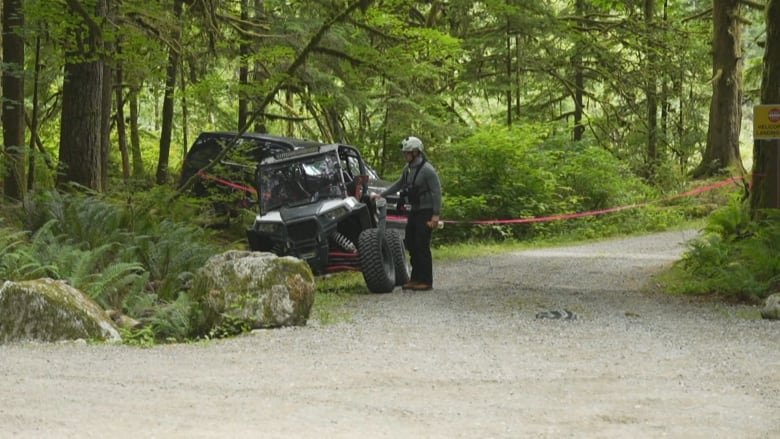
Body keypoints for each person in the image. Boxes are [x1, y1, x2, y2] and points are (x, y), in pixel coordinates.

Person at [372, 136, 442, 291]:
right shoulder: (408, 169)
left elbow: (437, 193)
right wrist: (382, 195)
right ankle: (415, 278)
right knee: (410, 242)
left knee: (421, 244)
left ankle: (426, 280)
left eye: (407, 153)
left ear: (416, 153)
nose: (405, 156)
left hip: (427, 211)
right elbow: (399, 184)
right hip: (415, 210)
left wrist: (436, 215)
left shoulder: (428, 170)